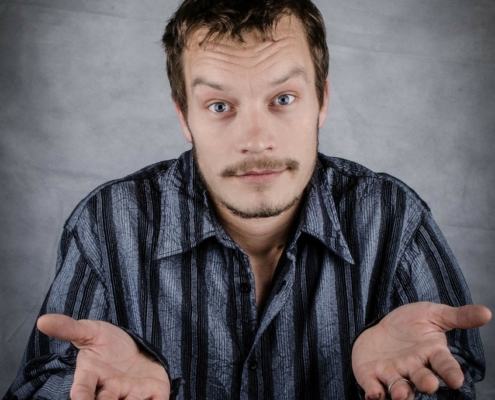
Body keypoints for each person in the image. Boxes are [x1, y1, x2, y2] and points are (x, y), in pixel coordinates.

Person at [4, 0, 492, 399]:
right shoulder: (108, 224)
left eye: (283, 99)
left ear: (321, 101)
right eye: (220, 106)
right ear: (184, 117)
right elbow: (45, 384)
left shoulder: (393, 217)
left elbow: (453, 380)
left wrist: (407, 391)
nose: (256, 140)